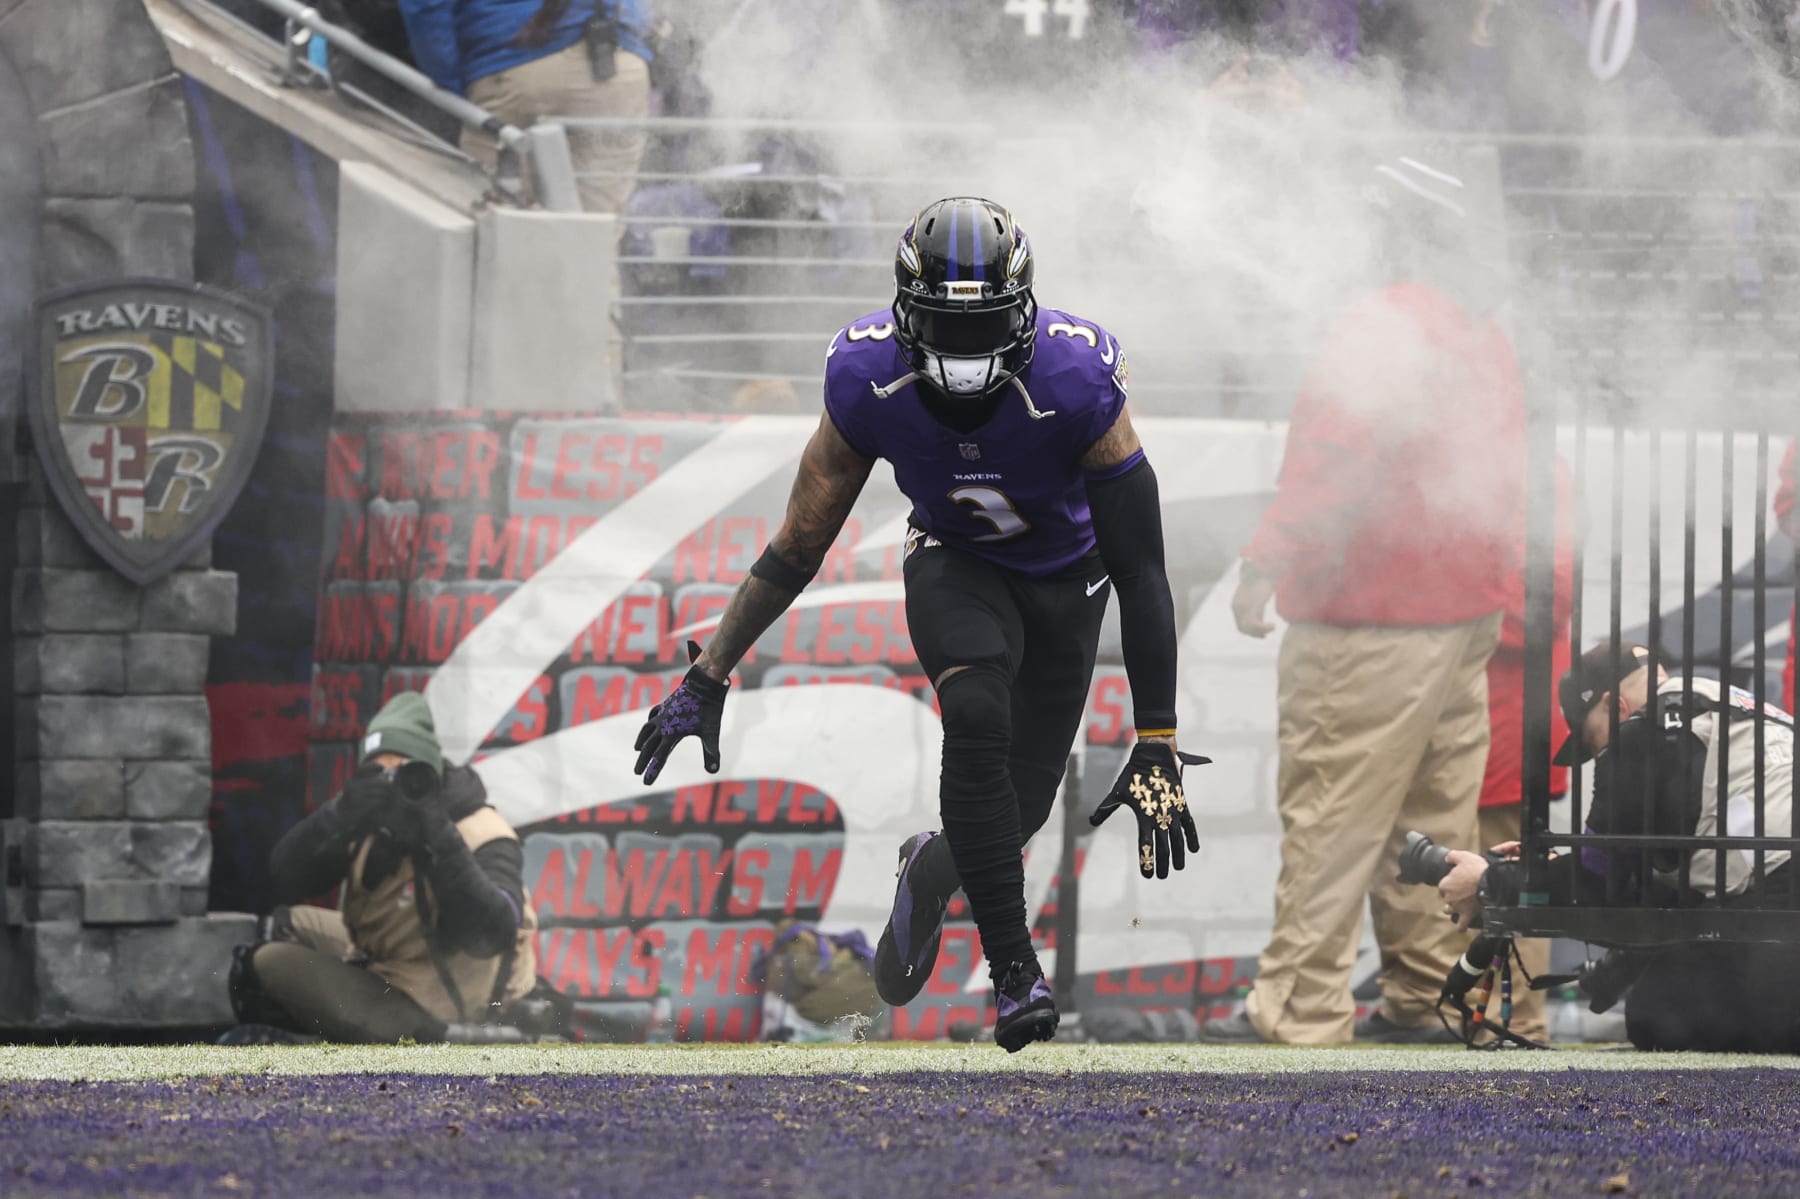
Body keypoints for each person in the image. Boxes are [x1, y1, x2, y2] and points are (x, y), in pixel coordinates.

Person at [631, 196, 1203, 1052]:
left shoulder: (1076, 379)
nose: (967, 354)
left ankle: (929, 869)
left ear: (1023, 312)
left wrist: (1156, 734)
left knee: (1015, 815)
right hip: (957, 560)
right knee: (973, 714)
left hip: (1067, 583)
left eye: (984, 329)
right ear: (907, 314)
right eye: (946, 327)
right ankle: (1016, 974)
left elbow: (1142, 569)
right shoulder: (869, 379)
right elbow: (799, 541)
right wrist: (708, 669)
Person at [1205, 156, 1526, 1046]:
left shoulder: (1379, 327)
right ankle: (1428, 998)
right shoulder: (1481, 334)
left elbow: (1333, 467)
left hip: (1371, 615)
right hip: (1464, 613)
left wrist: (1263, 562)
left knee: (1332, 815)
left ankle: (1299, 1009)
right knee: (1433, 822)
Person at [1438, 641, 1800, 1051]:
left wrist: (1488, 880)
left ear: (1615, 707)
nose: (1599, 757)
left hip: (1780, 920)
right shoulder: (1732, 707)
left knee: (1657, 1016)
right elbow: (1666, 879)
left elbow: (1596, 885)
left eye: (1592, 740)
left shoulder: (1643, 735)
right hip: (1777, 903)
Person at [224, 693, 538, 1044]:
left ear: (430, 773)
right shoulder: (370, 820)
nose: (392, 786)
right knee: (285, 926)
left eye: (406, 774)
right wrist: (340, 812)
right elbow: (285, 875)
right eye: (379, 773)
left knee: (269, 962)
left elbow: (491, 935)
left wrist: (438, 834)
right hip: (395, 962)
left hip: (449, 1000)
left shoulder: (482, 831)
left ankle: (418, 1041)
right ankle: (346, 1032)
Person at [1471, 455, 1574, 1043]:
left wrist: (1455, 611)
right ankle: (1486, 1020)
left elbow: (1545, 604)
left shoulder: (1538, 472)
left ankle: (1520, 1027)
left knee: (1511, 877)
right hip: (1477, 722)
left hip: (1508, 724)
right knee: (1474, 880)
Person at [396, 0, 653, 215]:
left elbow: (425, 7)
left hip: (516, 62)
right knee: (597, 232)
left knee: (499, 225)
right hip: (619, 63)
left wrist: (454, 83)